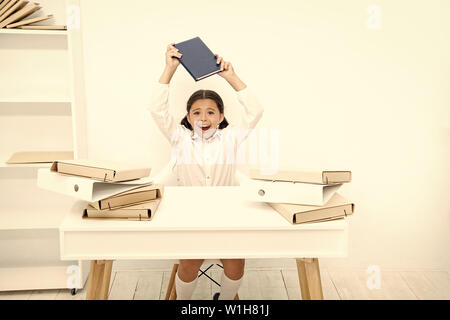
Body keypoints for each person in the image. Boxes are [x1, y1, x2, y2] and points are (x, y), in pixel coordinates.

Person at [148, 43, 264, 300]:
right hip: (191, 214)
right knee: (189, 264)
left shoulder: (230, 138)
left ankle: (224, 301)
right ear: (188, 118)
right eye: (197, 112)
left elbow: (255, 110)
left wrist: (230, 76)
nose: (203, 118)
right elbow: (157, 109)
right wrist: (169, 70)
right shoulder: (180, 138)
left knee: (236, 265)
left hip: (227, 213)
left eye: (211, 112)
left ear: (221, 117)